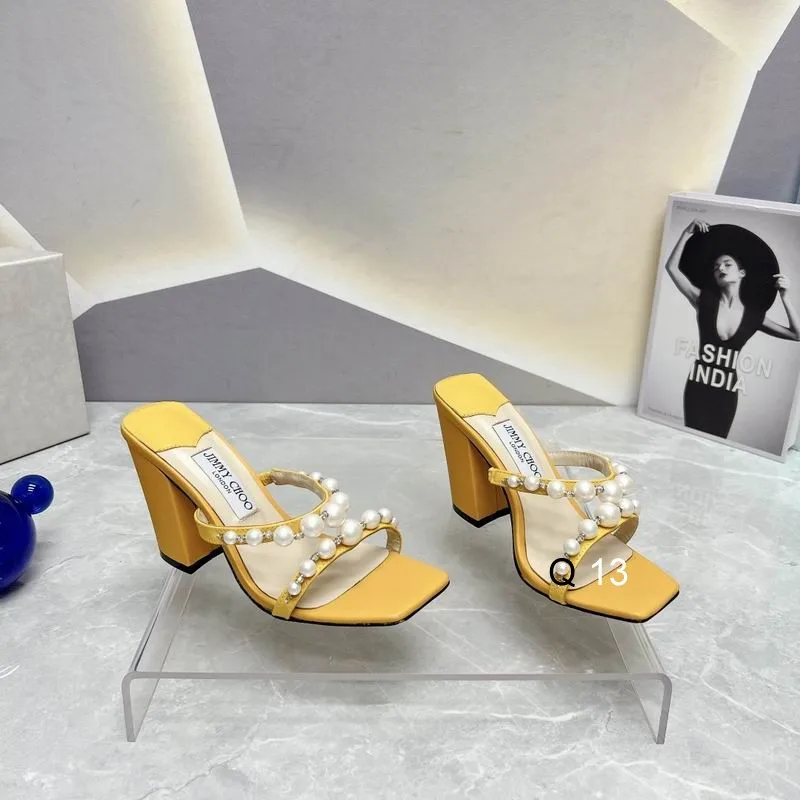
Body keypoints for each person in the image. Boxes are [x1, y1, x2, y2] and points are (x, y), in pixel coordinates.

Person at [665, 219, 800, 438]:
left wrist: (785, 297)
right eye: (716, 267)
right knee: (690, 439)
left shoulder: (754, 317)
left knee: (717, 442)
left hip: (727, 391)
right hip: (698, 384)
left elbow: (796, 335)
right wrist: (686, 232)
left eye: (727, 264)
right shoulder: (703, 300)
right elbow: (671, 268)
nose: (720, 268)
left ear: (741, 273)